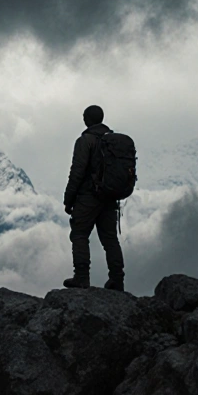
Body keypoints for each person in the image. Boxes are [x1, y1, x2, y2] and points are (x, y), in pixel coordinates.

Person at [62, 105, 125, 291]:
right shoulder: (112, 141)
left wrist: (69, 199)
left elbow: (77, 172)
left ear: (88, 119)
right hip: (110, 197)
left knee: (80, 234)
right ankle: (117, 280)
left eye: (84, 116)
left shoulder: (85, 140)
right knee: (110, 239)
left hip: (88, 197)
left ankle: (81, 278)